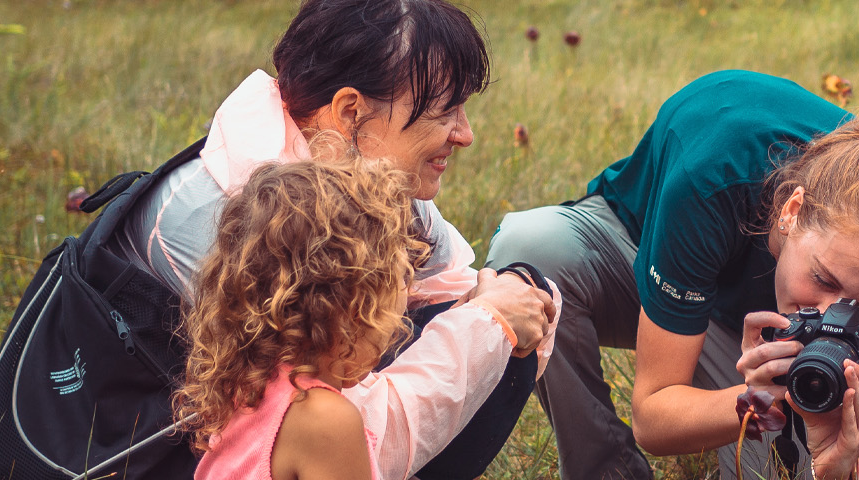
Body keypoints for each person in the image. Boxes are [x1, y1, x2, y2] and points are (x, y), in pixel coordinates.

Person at [109, 1, 557, 478]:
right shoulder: (228, 225)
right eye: (445, 110)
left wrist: (501, 305)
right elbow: (336, 435)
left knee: (521, 295)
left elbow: (464, 290)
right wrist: (487, 323)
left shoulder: (367, 177)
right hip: (158, 456)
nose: (465, 134)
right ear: (350, 110)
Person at [486, 70, 859, 479]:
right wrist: (759, 396)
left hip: (737, 307)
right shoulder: (714, 175)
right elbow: (653, 418)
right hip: (644, 257)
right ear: (792, 209)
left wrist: (833, 462)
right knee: (530, 251)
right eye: (824, 280)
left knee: (787, 463)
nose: (830, 315)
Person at [175, 160, 420, 480]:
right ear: (354, 306)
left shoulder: (252, 384)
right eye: (398, 277)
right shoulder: (324, 419)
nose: (409, 291)